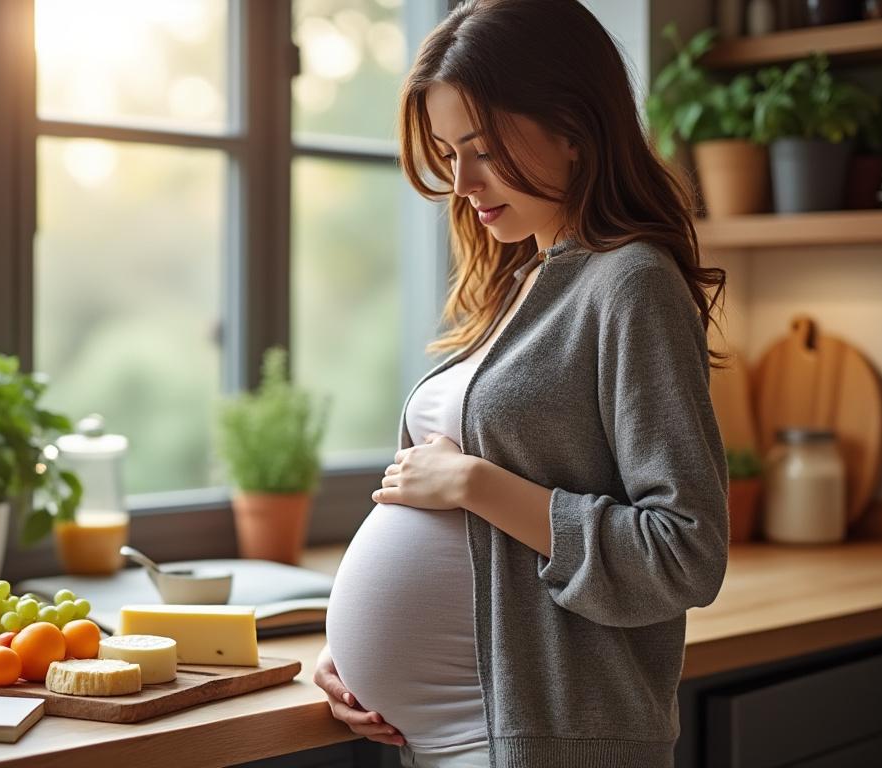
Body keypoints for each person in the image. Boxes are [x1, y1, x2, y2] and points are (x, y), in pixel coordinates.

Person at [313, 1, 731, 766]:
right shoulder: (517, 287)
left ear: (572, 126)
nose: (461, 181)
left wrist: (475, 482)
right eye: (447, 152)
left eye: (481, 148)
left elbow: (685, 553)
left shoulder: (631, 283)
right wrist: (349, 655)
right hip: (441, 739)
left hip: (542, 742)